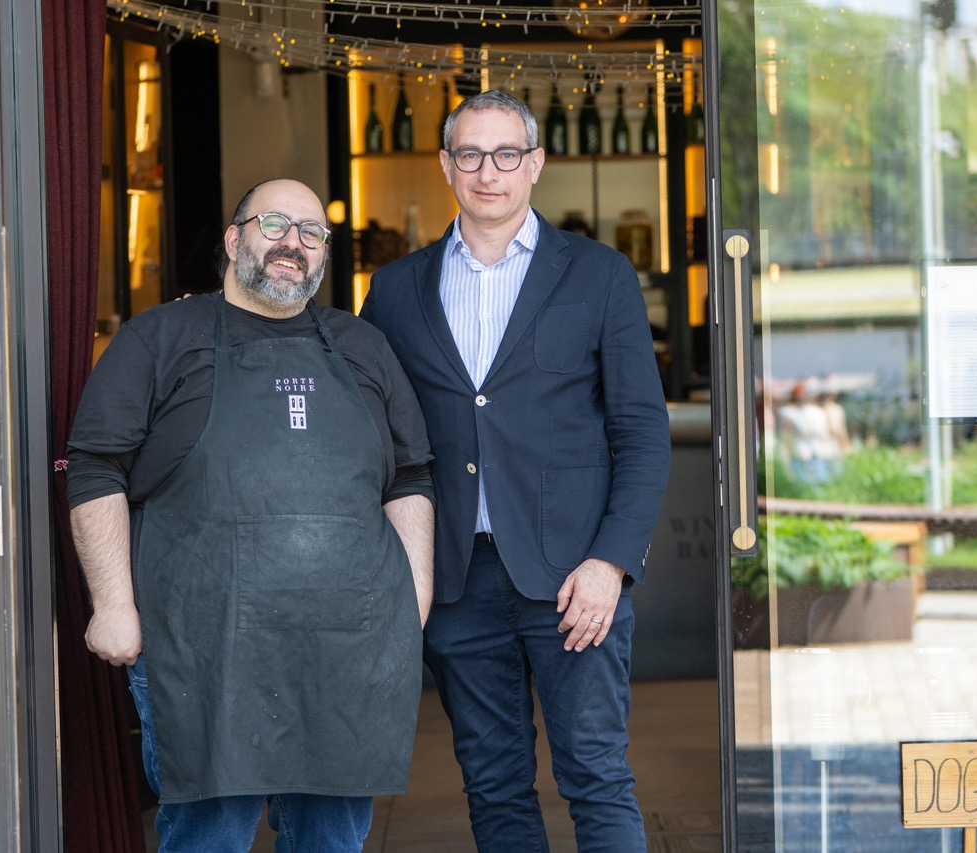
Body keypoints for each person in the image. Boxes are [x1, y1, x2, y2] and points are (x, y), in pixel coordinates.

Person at [66, 178, 435, 852]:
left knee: (331, 839)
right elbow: (96, 468)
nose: (294, 242)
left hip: (344, 645)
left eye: (312, 232)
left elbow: (409, 476)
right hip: (202, 643)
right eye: (274, 224)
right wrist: (113, 603)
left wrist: (414, 596)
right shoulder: (159, 337)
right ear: (234, 240)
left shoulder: (363, 346)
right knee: (209, 836)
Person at [360, 89, 671, 851]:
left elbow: (642, 432)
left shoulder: (599, 274)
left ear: (536, 162)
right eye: (470, 154)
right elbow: (369, 431)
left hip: (574, 578)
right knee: (494, 786)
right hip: (456, 580)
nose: (488, 172)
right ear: (446, 165)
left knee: (596, 775)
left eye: (506, 154)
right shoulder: (396, 289)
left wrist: (610, 562)